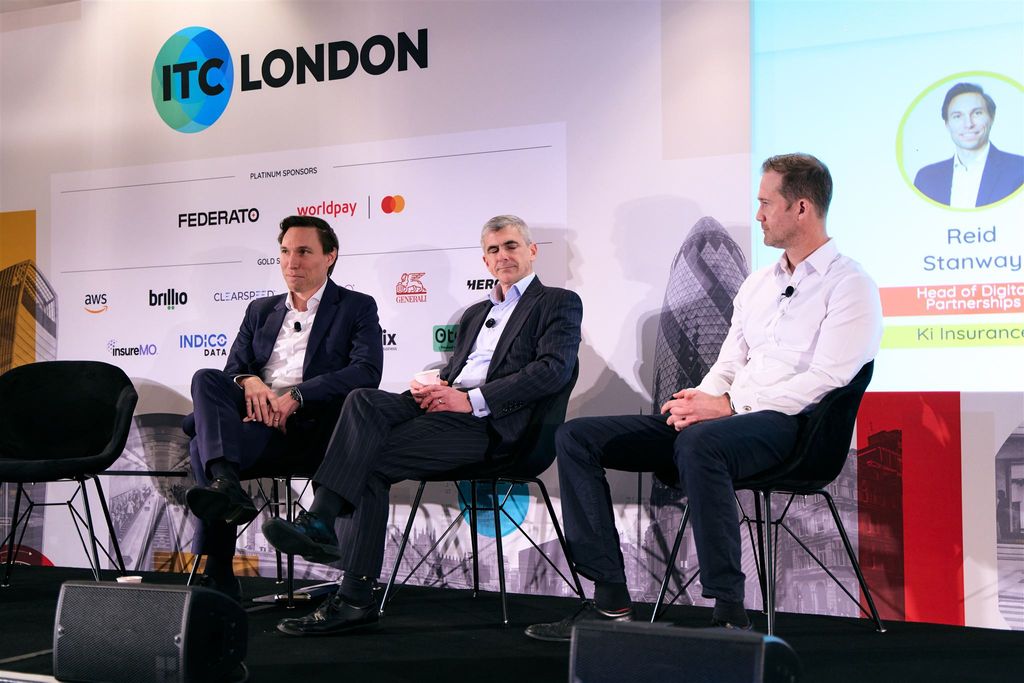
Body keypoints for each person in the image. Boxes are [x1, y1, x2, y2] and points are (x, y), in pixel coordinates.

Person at [525, 154, 882, 641]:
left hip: (795, 428)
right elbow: (729, 362)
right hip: (730, 419)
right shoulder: (758, 284)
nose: (758, 214)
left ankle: (729, 612)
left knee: (701, 444)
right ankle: (609, 600)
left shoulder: (850, 285)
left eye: (766, 203)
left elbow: (828, 379)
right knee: (578, 438)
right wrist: (698, 400)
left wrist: (729, 407)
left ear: (801, 208)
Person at [261, 214, 583, 636]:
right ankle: (325, 532)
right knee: (362, 401)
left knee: (367, 460)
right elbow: (458, 371)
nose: (502, 256)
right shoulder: (475, 314)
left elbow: (552, 371)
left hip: (495, 428)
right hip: (448, 407)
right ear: (485, 261)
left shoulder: (557, 302)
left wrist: (471, 400)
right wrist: (436, 385)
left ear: (531, 251)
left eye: (510, 246)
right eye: (493, 250)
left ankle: (349, 588)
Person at [184, 215, 383, 601]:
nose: (292, 262)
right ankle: (227, 485)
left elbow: (366, 371)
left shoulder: (356, 307)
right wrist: (248, 381)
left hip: (314, 431)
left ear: (330, 256)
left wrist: (298, 396)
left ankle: (218, 569)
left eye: (304, 251)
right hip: (259, 424)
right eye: (286, 251)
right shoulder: (261, 310)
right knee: (205, 378)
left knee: (199, 445)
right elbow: (232, 370)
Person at [913, 82, 1024, 208]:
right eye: (957, 116)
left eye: (977, 113)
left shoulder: (1020, 169)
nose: (968, 124)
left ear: (991, 117)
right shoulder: (926, 178)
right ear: (947, 124)